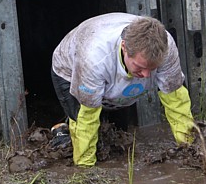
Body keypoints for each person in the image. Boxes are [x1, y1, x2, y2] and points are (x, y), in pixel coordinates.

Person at [51, 12, 195, 167]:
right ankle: (62, 133)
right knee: (89, 130)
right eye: (141, 67)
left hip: (113, 72)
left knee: (119, 137)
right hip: (70, 71)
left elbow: (176, 101)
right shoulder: (94, 58)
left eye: (152, 68)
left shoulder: (165, 47)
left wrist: (190, 149)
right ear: (124, 47)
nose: (147, 75)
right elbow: (87, 116)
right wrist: (85, 169)